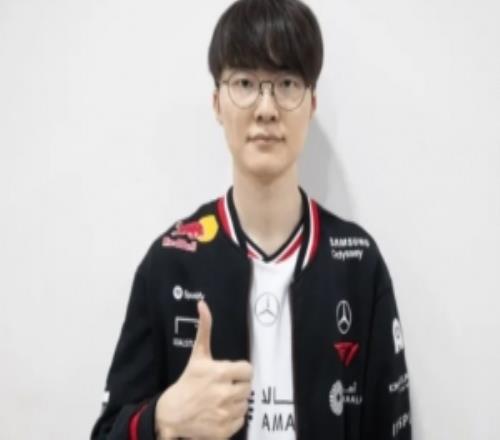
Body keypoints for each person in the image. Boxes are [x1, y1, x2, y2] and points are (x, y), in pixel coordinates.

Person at [90, 0, 412, 439]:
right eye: (244, 82)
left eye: (286, 83)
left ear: (311, 104)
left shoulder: (358, 264)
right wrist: (163, 417)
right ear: (217, 103)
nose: (266, 108)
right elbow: (107, 431)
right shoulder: (170, 263)